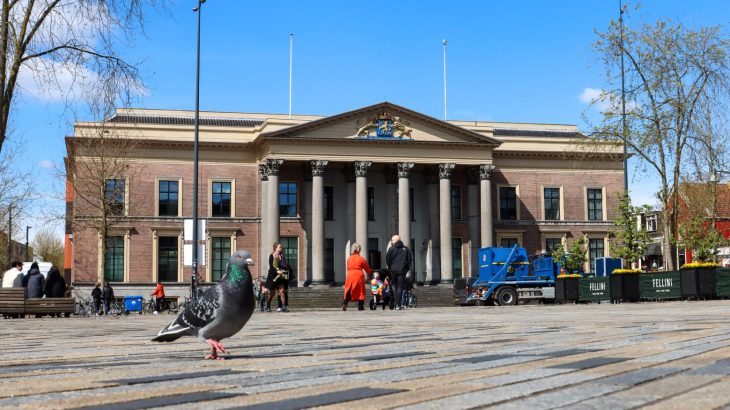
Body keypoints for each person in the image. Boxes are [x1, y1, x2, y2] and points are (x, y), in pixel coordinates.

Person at [386, 234, 412, 310]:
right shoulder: (406, 249)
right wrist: (406, 269)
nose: (391, 241)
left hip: (393, 270)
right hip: (402, 271)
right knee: (399, 287)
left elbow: (388, 259)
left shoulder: (391, 249)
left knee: (396, 286)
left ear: (396, 240)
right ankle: (398, 304)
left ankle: (396, 303)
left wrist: (391, 267)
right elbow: (409, 260)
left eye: (392, 240)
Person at [343, 243, 371, 311]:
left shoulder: (349, 258)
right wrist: (370, 272)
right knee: (361, 290)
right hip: (358, 274)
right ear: (359, 250)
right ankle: (360, 306)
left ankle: (345, 302)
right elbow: (367, 268)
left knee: (349, 289)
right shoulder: (361, 259)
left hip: (350, 274)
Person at [265, 243, 291, 313]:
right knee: (272, 292)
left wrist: (286, 271)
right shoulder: (272, 256)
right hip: (273, 275)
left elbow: (285, 265)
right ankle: (268, 305)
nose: (281, 248)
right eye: (279, 247)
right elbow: (271, 266)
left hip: (281, 275)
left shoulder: (282, 256)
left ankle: (284, 306)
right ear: (275, 248)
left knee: (282, 290)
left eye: (281, 247)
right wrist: (277, 271)